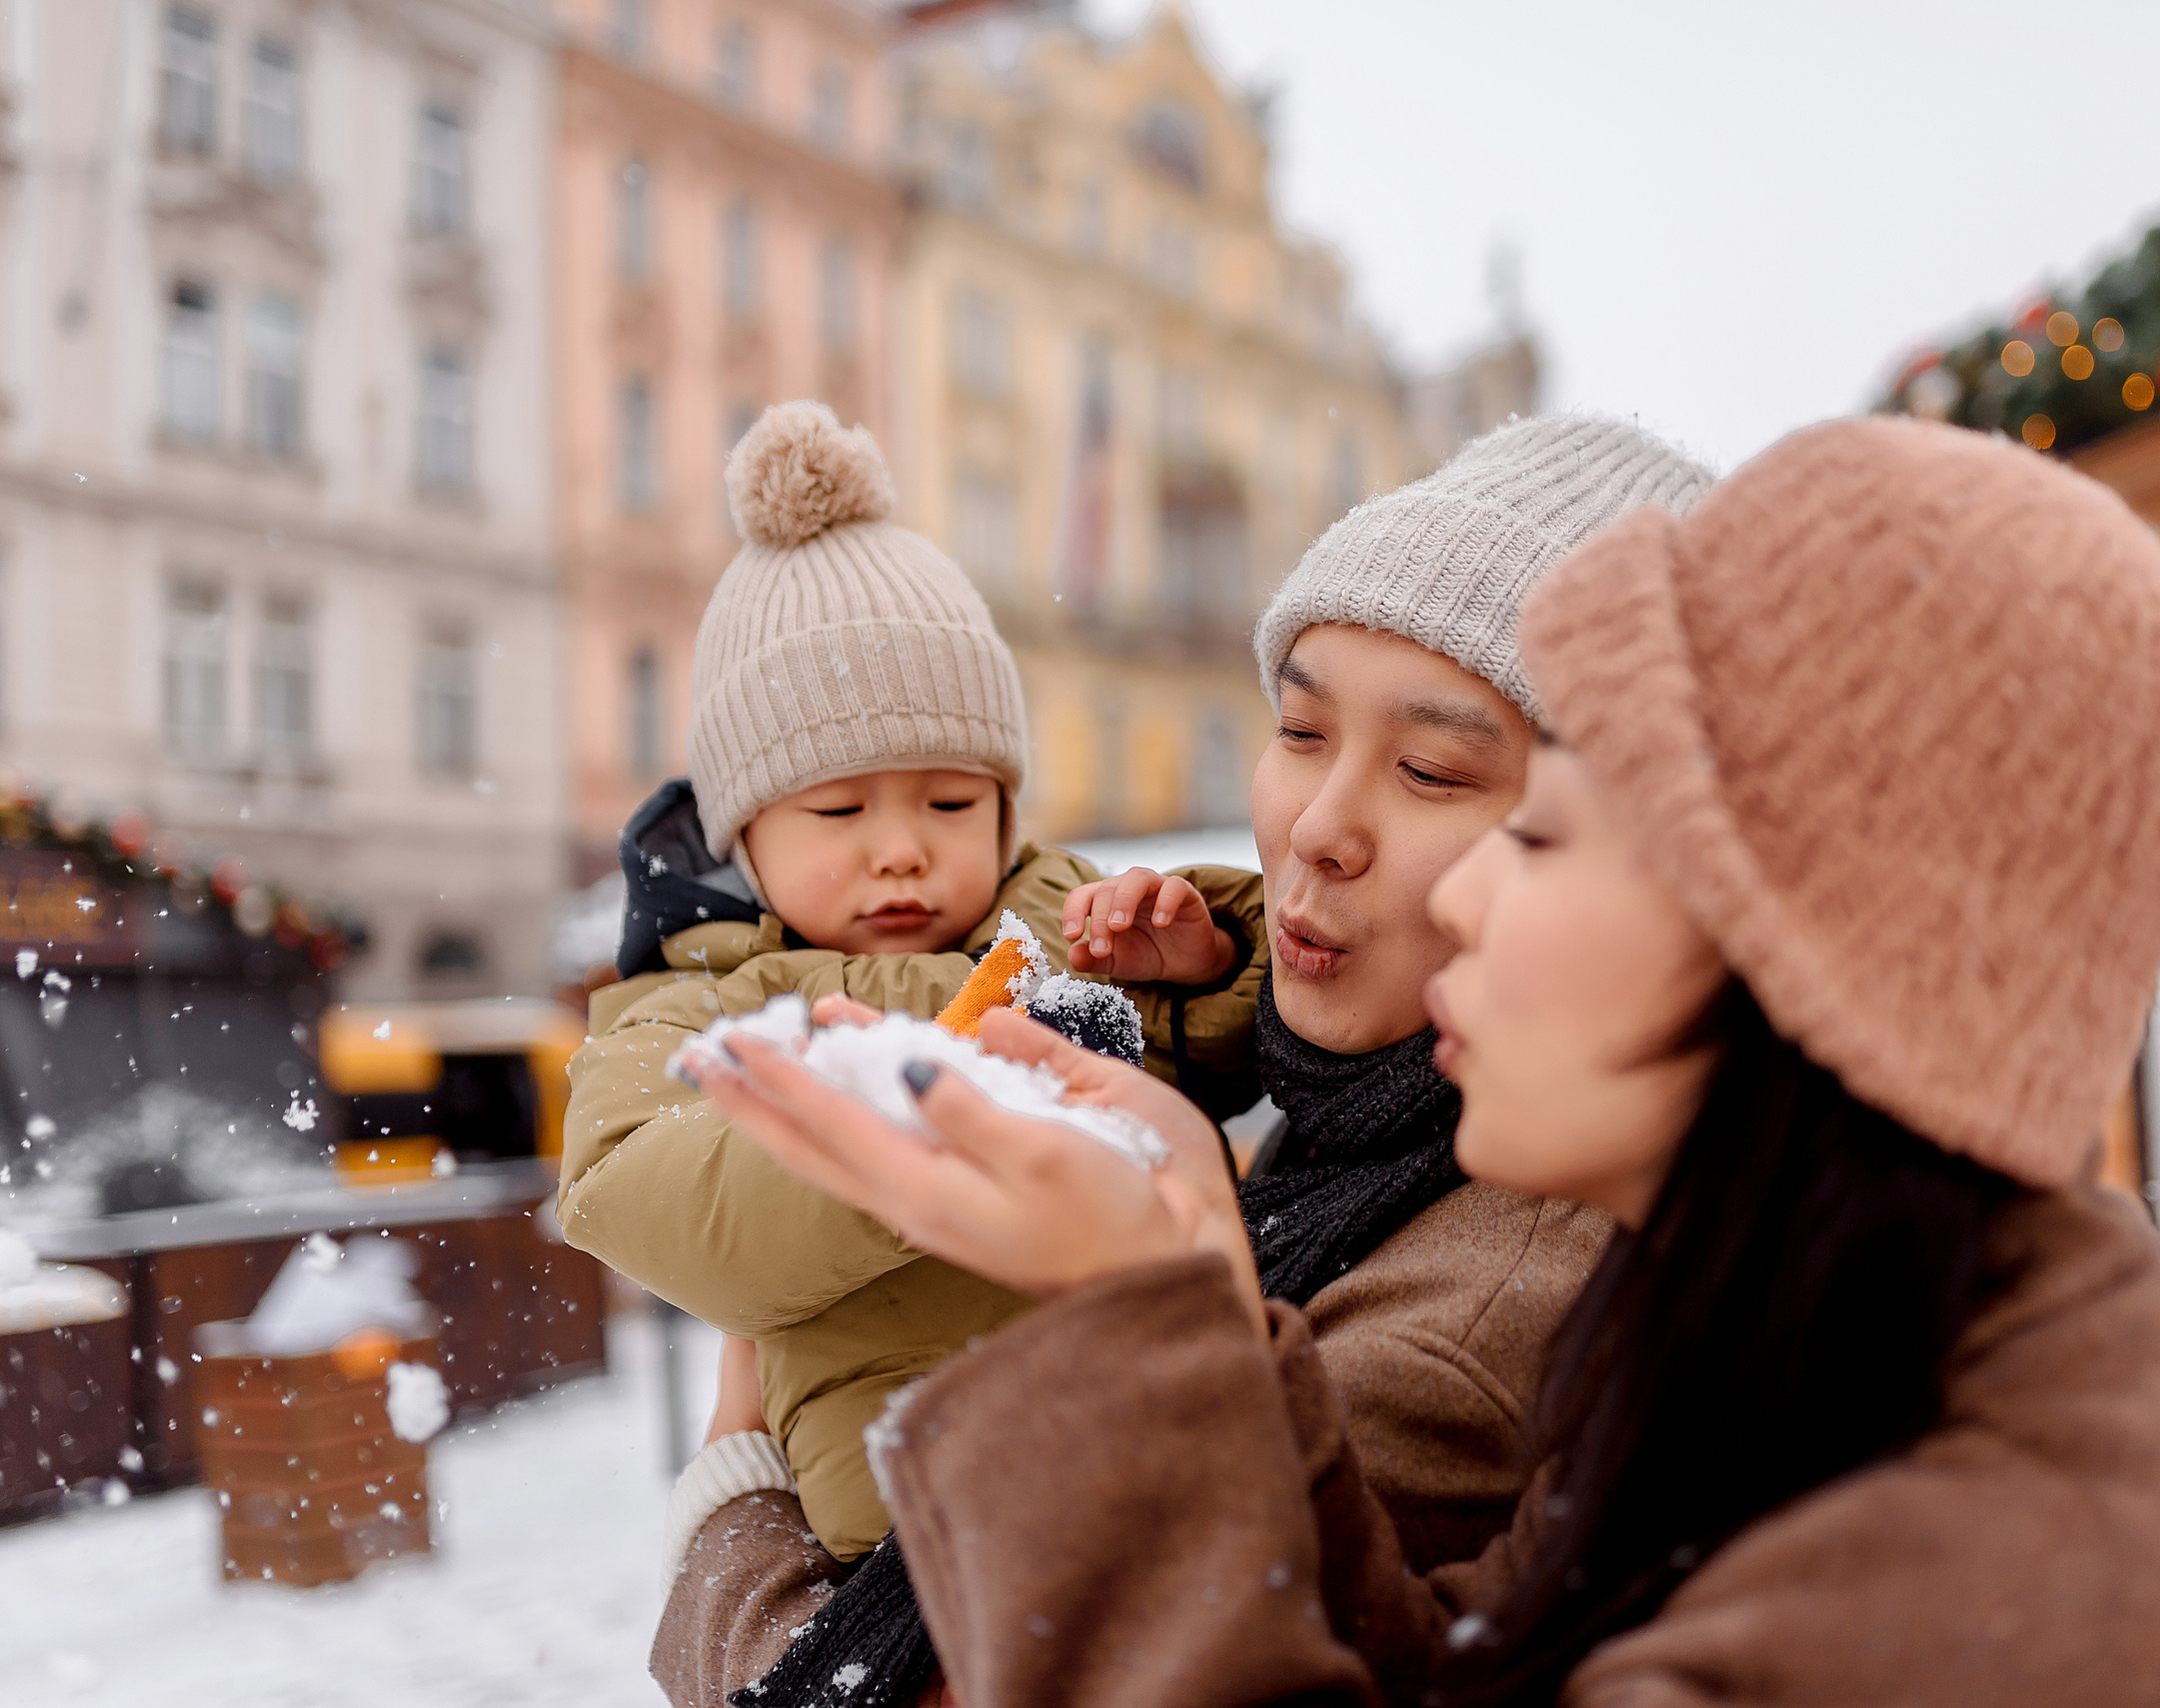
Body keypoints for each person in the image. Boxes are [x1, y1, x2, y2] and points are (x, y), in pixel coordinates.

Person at [681, 417, 2160, 1706]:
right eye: (1294, 727)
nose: (1454, 884)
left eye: (1538, 823)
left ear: (1798, 940)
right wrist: (1188, 1289)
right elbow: (1461, 1670)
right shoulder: (1795, 1328)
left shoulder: (1942, 1600)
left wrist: (1133, 1347)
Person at [652, 415, 1714, 1708]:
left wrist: (739, 1482)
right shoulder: (1356, 1133)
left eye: (1434, 770)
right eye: (1301, 729)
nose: (1319, 827)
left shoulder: (1487, 1294)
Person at [558, 401, 1148, 1566]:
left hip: (1150, 1440)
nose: (901, 847)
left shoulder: (1066, 925)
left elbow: (1246, 1044)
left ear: (1007, 811)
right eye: (837, 809)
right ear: (745, 838)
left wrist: (1201, 954)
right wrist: (901, 1119)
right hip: (909, 1523)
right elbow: (625, 1187)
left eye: (949, 802)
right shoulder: (701, 997)